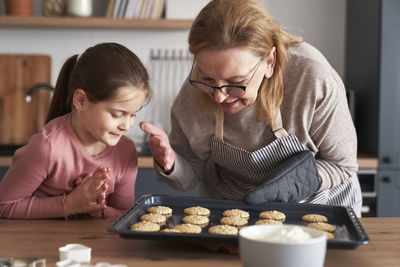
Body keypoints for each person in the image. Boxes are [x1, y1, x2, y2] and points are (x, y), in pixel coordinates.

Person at [140, 0, 362, 216]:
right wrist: (170, 162)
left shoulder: (311, 77)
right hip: (233, 210)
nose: (219, 96)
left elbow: (342, 166)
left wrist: (299, 181)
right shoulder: (193, 94)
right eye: (207, 78)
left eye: (236, 82)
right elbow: (189, 175)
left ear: (270, 62)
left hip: (318, 207)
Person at [0, 43, 150, 219]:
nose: (126, 125)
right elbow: (4, 206)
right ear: (80, 101)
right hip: (38, 243)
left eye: (133, 115)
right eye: (117, 114)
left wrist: (97, 210)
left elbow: (125, 214)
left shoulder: (125, 151)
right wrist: (70, 204)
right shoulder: (47, 147)